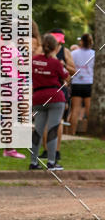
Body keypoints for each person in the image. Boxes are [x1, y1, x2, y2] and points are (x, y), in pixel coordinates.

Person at [30, 33, 68, 171]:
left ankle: (33, 161)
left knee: (38, 130)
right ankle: (51, 162)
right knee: (52, 129)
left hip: (38, 97)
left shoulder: (34, 60)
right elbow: (65, 75)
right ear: (55, 48)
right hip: (55, 97)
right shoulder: (56, 62)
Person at [45, 29, 75, 163]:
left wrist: (64, 65)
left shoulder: (66, 51)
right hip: (44, 88)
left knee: (58, 122)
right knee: (45, 121)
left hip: (60, 88)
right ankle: (46, 150)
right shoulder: (43, 50)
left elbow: (73, 71)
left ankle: (56, 151)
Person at [69, 33, 95, 135]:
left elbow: (71, 66)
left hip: (77, 83)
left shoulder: (74, 53)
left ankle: (72, 133)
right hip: (89, 83)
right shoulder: (94, 53)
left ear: (81, 42)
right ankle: (90, 133)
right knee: (89, 110)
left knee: (75, 109)